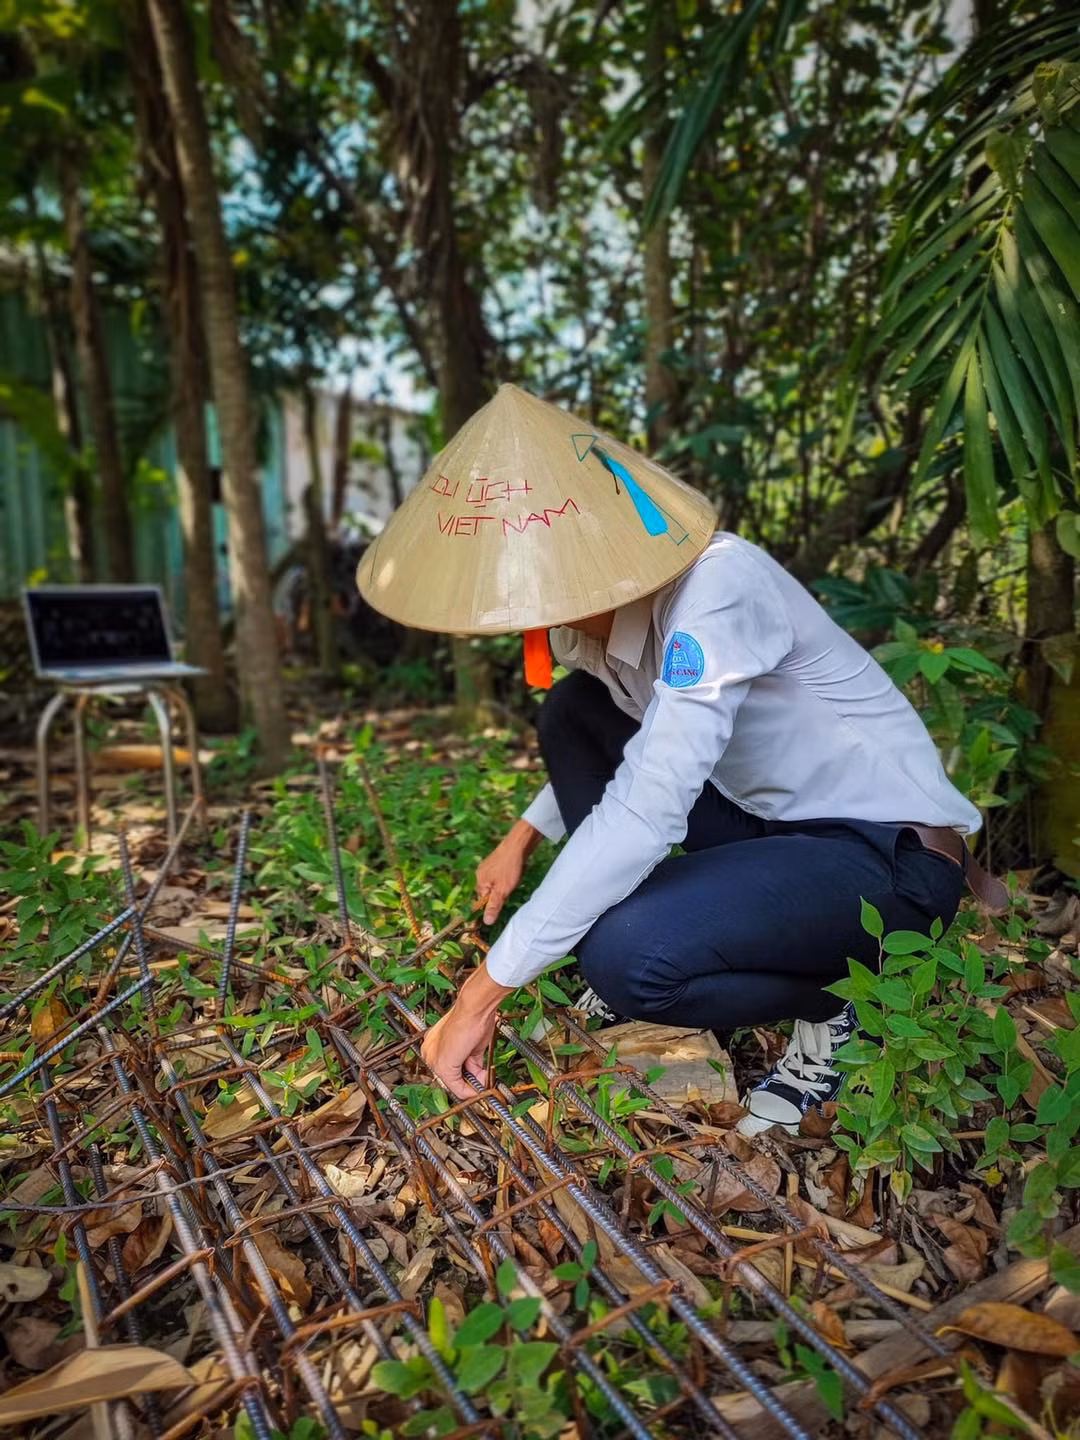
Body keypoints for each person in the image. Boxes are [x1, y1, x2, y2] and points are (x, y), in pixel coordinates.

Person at [356, 384, 1006, 1136]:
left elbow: (649, 803)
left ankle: (836, 1003)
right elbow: (643, 745)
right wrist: (522, 837)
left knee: (625, 957)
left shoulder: (719, 588)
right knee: (575, 708)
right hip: (769, 824)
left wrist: (480, 996)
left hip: (887, 857)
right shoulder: (582, 629)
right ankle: (672, 918)